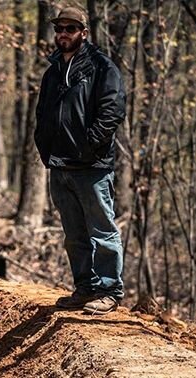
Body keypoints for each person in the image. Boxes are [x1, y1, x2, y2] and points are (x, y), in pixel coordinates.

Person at [34, 6, 126, 315]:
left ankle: (110, 289)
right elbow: (42, 114)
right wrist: (45, 149)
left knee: (102, 231)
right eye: (60, 28)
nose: (63, 34)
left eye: (70, 29)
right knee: (74, 234)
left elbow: (112, 112)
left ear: (83, 33)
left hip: (91, 167)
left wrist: (87, 147)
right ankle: (85, 288)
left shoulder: (102, 68)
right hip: (60, 167)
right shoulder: (53, 71)